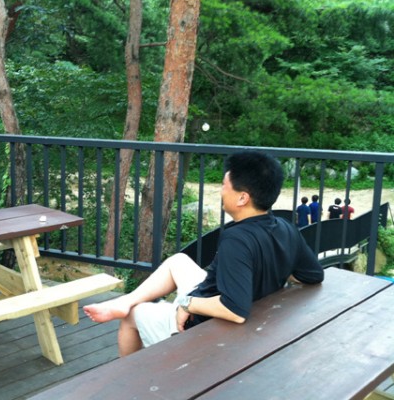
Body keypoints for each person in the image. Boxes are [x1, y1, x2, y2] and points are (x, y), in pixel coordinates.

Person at [83, 151, 324, 357]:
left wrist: (187, 304)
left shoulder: (237, 239)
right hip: (237, 307)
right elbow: (314, 275)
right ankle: (124, 301)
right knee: (178, 261)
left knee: (131, 318)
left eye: (224, 186)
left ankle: (128, 384)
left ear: (243, 198)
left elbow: (235, 310)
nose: (221, 192)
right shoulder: (284, 227)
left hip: (207, 327)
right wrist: (276, 270)